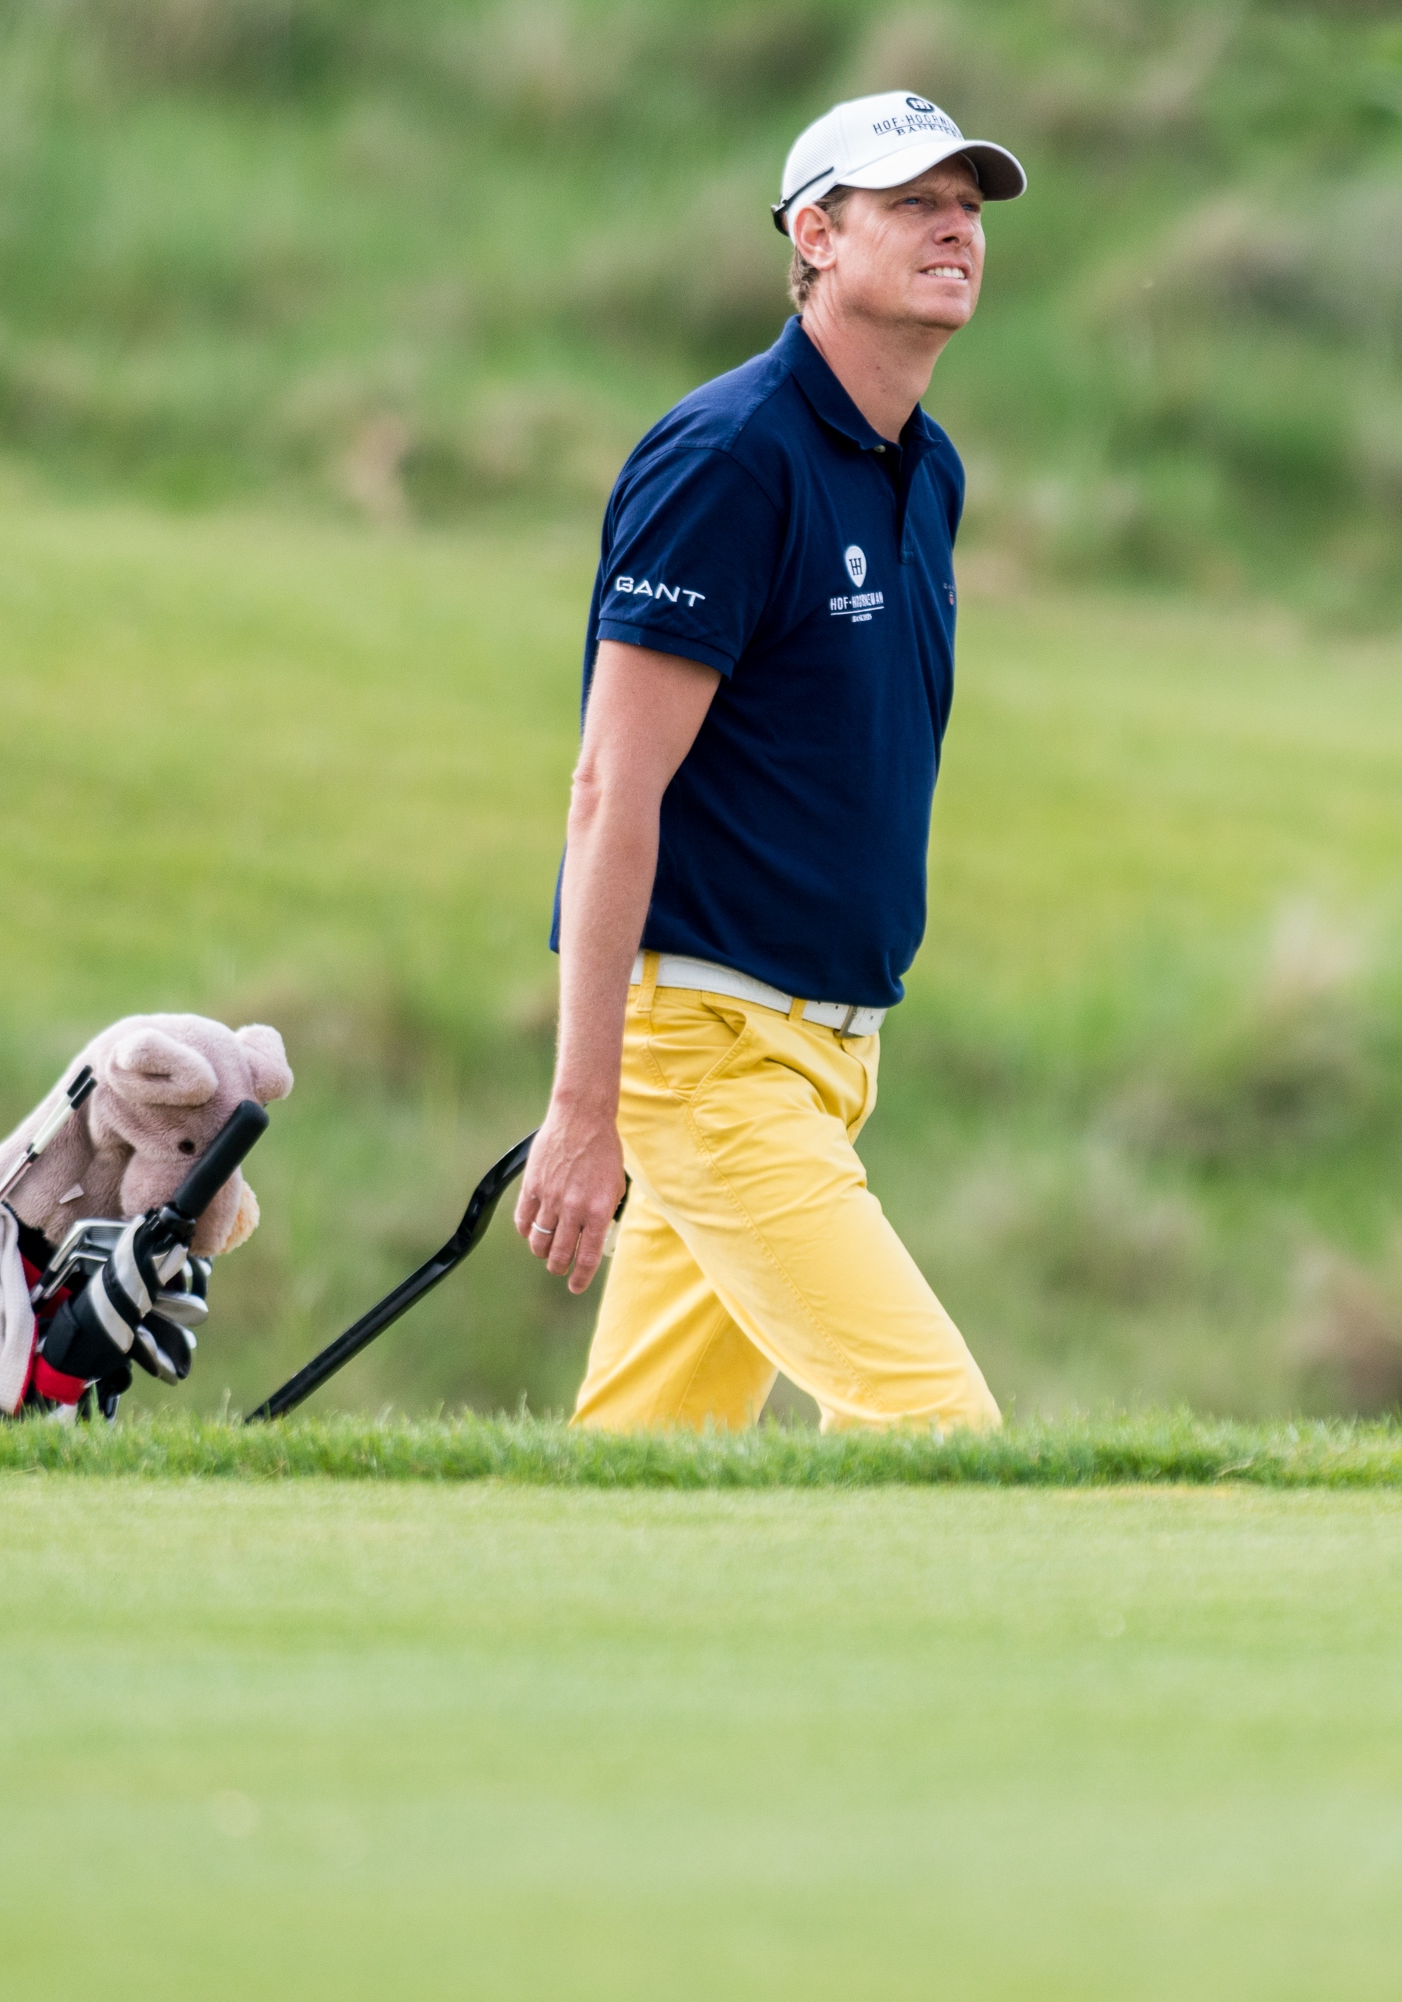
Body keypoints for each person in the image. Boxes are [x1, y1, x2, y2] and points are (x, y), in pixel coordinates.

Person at [509, 92, 1026, 1432]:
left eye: (967, 207)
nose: (954, 229)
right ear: (817, 233)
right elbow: (611, 789)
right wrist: (583, 1109)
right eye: (913, 203)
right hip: (709, 1055)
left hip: (827, 1059)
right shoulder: (730, 457)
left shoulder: (930, 467)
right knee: (938, 1433)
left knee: (644, 1455)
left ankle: (541, 1641)